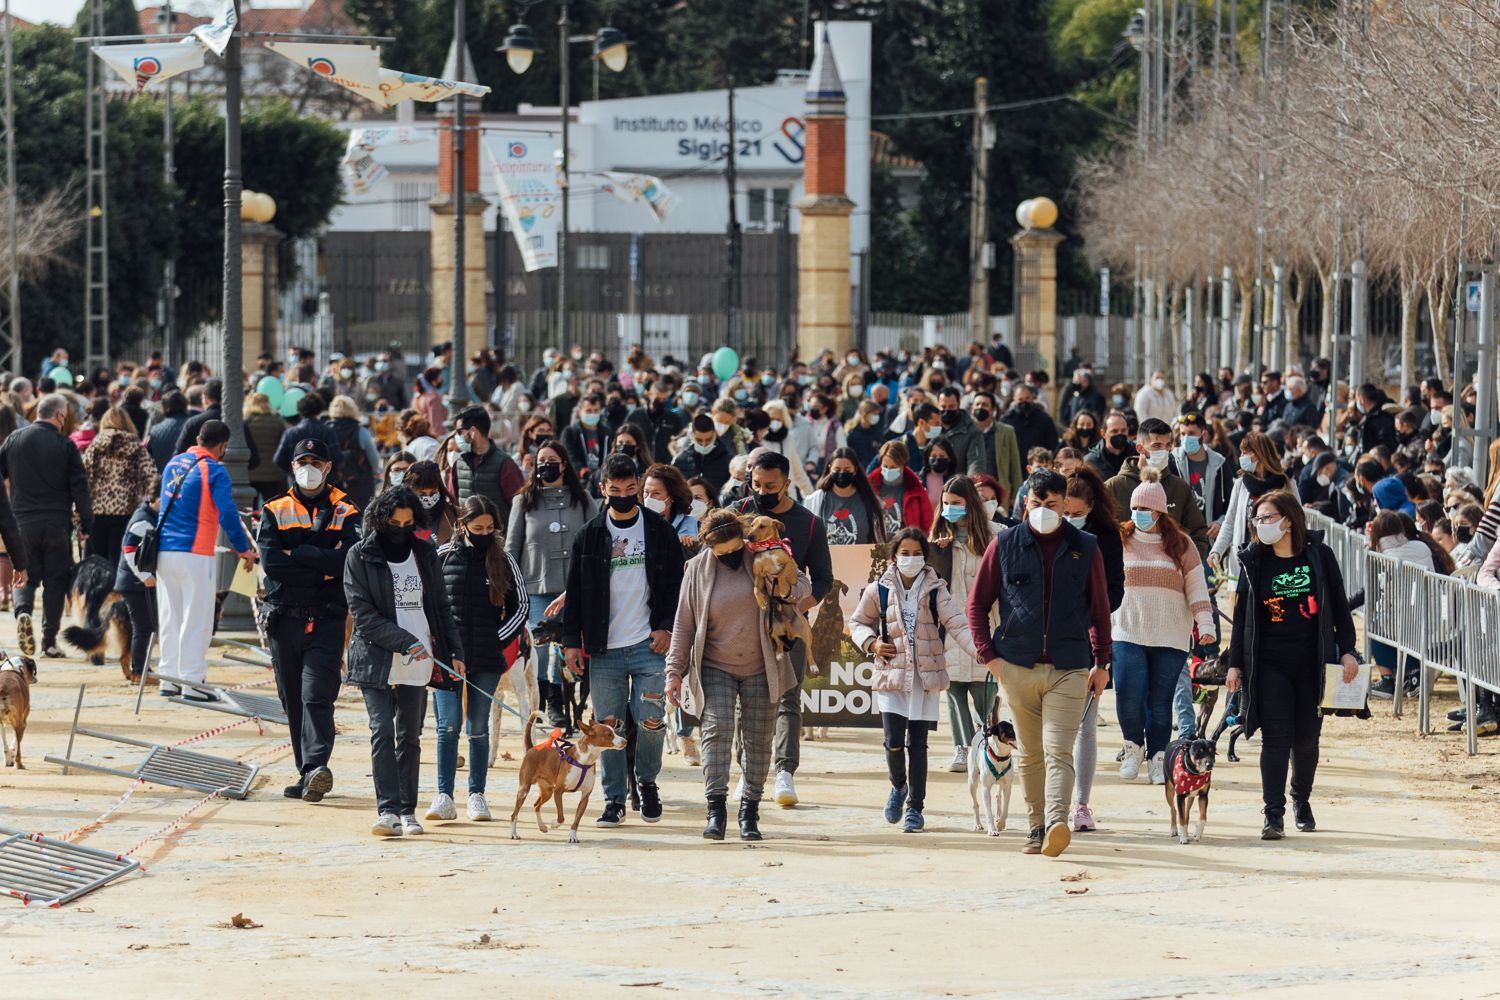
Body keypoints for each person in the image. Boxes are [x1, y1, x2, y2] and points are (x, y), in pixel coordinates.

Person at [966, 469, 1112, 857]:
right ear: (1024, 503)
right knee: (1029, 752)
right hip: (1015, 666)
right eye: (1036, 504)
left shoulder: (1086, 547)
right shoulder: (1005, 544)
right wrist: (991, 658)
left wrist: (1102, 662)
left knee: (1058, 749)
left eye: (1051, 505)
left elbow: (1100, 610)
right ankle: (1035, 825)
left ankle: (1057, 821)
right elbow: (977, 605)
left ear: (1065, 504)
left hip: (1070, 666)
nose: (1043, 511)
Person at [665, 510, 809, 841]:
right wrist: (674, 671)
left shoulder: (763, 554)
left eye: (734, 549)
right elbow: (683, 624)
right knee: (717, 730)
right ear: (709, 547)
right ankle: (716, 810)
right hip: (715, 663)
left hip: (763, 664)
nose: (730, 556)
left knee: (758, 739)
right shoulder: (696, 570)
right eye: (722, 553)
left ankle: (750, 811)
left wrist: (782, 585)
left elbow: (802, 585)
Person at [562, 454, 685, 827]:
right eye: (614, 491)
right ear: (603, 490)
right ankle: (613, 797)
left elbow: (675, 585)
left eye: (630, 490)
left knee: (651, 720)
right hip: (605, 649)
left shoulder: (660, 531)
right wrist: (570, 643)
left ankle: (646, 782)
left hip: (649, 644)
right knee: (608, 727)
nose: (623, 496)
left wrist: (665, 626)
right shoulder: (590, 535)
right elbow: (575, 592)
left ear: (638, 487)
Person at [1227, 490, 1358, 839]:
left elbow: (1339, 606)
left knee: (1306, 739)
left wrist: (1348, 650)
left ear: (1288, 520)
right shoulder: (1254, 560)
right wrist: (1235, 663)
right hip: (1269, 663)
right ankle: (1273, 814)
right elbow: (1242, 616)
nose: (1261, 524)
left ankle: (1301, 800)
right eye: (1257, 518)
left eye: (1267, 517)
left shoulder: (1319, 555)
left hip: (1312, 661)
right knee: (1275, 739)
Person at [344, 485, 465, 837]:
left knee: (409, 734)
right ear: (380, 520)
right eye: (393, 523)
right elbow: (362, 614)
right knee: (381, 728)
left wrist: (454, 652)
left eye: (407, 523)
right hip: (376, 656)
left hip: (421, 657)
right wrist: (402, 640)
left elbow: (441, 607)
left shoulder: (424, 553)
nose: (400, 529)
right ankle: (388, 811)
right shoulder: (359, 555)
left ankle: (408, 810)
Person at [849, 527, 979, 832]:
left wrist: (978, 651)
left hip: (924, 677)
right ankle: (898, 787)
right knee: (893, 741)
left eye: (916, 553)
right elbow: (857, 622)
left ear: (925, 555)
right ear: (894, 556)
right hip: (892, 674)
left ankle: (916, 808)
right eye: (904, 553)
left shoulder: (936, 589)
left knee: (917, 744)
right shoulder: (878, 589)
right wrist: (872, 643)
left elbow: (957, 623)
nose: (910, 558)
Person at [259, 438, 361, 804]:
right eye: (303, 460)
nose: (309, 467)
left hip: (327, 618)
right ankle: (307, 773)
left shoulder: (346, 509)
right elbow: (273, 564)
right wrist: (321, 566)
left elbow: (347, 561)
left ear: (328, 467)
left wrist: (299, 553)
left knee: (317, 694)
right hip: (284, 618)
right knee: (292, 699)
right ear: (292, 465)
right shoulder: (275, 508)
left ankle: (317, 764)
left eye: (316, 460)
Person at [734, 450, 833, 807]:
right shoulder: (738, 512)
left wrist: (799, 606)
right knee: (746, 699)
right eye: (756, 484)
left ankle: (784, 773)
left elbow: (823, 578)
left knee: (788, 698)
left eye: (770, 486)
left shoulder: (808, 523)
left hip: (789, 624)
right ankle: (746, 772)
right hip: (744, 623)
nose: (761, 491)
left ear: (787, 484)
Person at [1113, 466, 1216, 785]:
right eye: (1134, 508)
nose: (1138, 513)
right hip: (1127, 630)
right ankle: (1133, 747)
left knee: (1160, 700)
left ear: (1159, 511)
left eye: (1144, 508)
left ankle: (1158, 757)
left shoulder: (1181, 544)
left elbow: (1197, 586)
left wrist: (1205, 622)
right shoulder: (1120, 538)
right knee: (1128, 694)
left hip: (1170, 635)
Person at [430, 495, 528, 823]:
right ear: (462, 526)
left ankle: (477, 795)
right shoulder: (442, 556)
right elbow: (428, 605)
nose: (484, 532)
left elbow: (522, 606)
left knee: (477, 727)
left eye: (490, 528)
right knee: (447, 726)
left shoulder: (504, 560)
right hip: (447, 659)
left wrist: (497, 640)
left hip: (486, 659)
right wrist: (440, 646)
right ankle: (443, 795)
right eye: (477, 527)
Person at [155, 421, 256, 696]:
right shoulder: (214, 469)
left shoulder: (173, 464)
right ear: (223, 446)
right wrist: (243, 548)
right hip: (196, 552)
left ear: (198, 438)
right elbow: (227, 513)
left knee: (170, 616)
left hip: (164, 551)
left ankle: (169, 677)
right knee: (196, 618)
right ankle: (192, 681)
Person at [506, 441, 596, 728]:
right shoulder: (523, 501)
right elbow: (512, 545)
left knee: (566, 645)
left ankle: (558, 700)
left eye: (552, 459)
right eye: (540, 460)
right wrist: (511, 588)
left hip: (574, 586)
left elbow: (597, 538)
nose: (546, 465)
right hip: (535, 585)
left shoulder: (581, 499)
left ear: (564, 464)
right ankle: (541, 696)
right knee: (539, 646)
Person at [0, 393, 90, 658]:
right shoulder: (65, 446)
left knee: (23, 573)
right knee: (55, 581)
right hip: (57, 524)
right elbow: (80, 488)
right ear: (60, 415)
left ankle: (23, 612)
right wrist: (86, 522)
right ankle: (48, 641)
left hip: (21, 522)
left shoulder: (14, 439)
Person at [928, 475, 996, 771]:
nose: (950, 509)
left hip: (986, 624)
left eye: (956, 503)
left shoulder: (996, 537)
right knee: (954, 690)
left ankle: (986, 745)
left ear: (970, 504)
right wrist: (936, 552)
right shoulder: (936, 542)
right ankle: (962, 747)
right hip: (949, 627)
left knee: (984, 691)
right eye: (946, 504)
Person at [1106, 418, 1210, 559]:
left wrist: (1185, 564)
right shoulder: (1114, 487)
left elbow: (1198, 532)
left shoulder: (1179, 487)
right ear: (1140, 448)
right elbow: (1101, 534)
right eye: (1157, 445)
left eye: (1167, 446)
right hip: (1126, 574)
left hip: (1170, 575)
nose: (1164, 451)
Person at [80, 406, 157, 566]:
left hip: (96, 513)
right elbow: (152, 478)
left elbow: (82, 483)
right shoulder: (136, 448)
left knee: (95, 565)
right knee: (119, 561)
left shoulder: (94, 448)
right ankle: (115, 591)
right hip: (126, 511)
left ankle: (96, 592)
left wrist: (78, 517)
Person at [1209, 430, 1289, 581]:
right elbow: (1229, 522)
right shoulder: (1241, 484)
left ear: (1259, 454)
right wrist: (1217, 551)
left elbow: (1297, 519)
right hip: (1244, 562)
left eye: (1246, 452)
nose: (1241, 457)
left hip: (1277, 561)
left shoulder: (1285, 483)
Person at [112, 480, 160, 682]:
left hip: (134, 582)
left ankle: (141, 668)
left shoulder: (148, 516)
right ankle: (139, 671)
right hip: (134, 583)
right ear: (157, 500)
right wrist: (145, 577)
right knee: (143, 627)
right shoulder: (143, 520)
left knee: (145, 626)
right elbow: (129, 550)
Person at [451, 406, 525, 522]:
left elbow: (519, 507)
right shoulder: (459, 463)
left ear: (473, 431)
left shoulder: (505, 464)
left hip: (499, 537)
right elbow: (454, 502)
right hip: (467, 537)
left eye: (460, 431)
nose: (456, 436)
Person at [805, 447, 888, 546]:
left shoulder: (871, 501)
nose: (842, 473)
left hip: (860, 559)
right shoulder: (815, 500)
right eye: (837, 469)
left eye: (847, 469)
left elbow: (879, 540)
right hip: (827, 560)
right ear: (829, 468)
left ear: (855, 469)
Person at [327, 395, 381, 512]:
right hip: (361, 483)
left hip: (334, 484)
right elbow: (374, 460)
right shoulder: (361, 431)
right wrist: (376, 473)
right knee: (362, 516)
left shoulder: (326, 432)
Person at [273, 393, 343, 476]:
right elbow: (337, 458)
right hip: (323, 482)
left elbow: (278, 460)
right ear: (319, 410)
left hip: (297, 481)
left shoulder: (290, 433)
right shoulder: (327, 431)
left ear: (300, 411)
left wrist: (294, 473)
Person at [243, 391, 288, 504]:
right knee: (273, 508)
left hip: (250, 473)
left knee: (250, 510)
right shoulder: (277, 422)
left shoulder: (246, 423)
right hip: (273, 474)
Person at [672, 413, 733, 494]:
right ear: (692, 435)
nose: (704, 445)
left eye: (708, 440)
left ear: (715, 434)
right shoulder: (681, 460)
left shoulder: (728, 460)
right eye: (699, 440)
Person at [406, 460, 457, 546]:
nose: (428, 497)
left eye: (433, 492)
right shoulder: (401, 516)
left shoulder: (455, 513)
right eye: (422, 493)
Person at [147, 390, 191, 471]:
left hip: (162, 478)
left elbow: (149, 458)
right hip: (187, 477)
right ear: (185, 405)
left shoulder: (154, 430)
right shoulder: (192, 426)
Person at [1084, 411, 1133, 480]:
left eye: (1123, 430)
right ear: (1103, 433)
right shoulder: (1091, 461)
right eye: (1114, 431)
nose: (1120, 434)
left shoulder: (1137, 454)